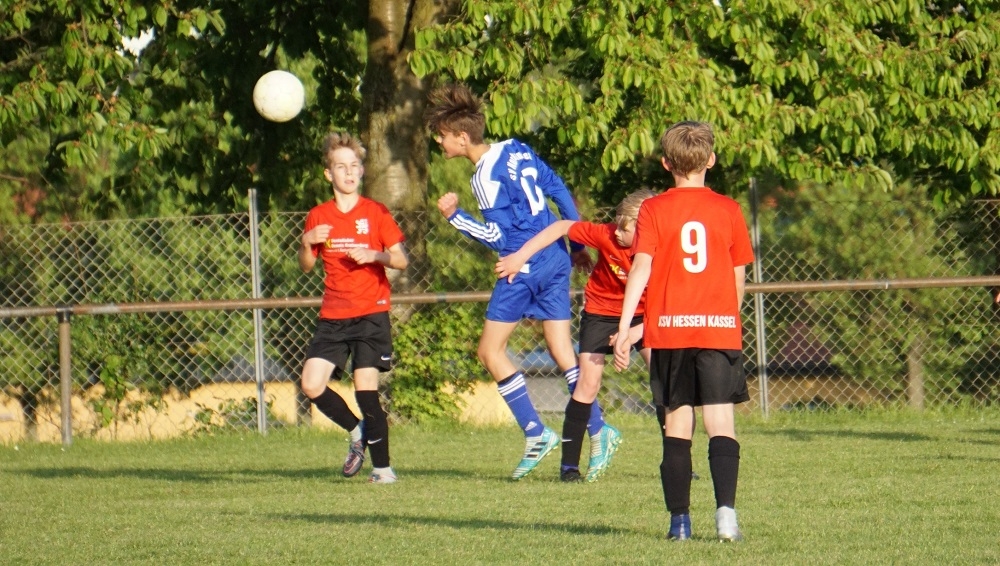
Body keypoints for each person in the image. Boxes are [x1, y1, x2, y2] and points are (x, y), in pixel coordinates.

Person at [425, 83, 597, 481]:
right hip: (556, 256)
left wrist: (455, 217)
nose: (439, 141)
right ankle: (599, 427)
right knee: (561, 349)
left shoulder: (484, 177)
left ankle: (536, 432)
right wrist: (576, 245)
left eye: (442, 135)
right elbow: (557, 189)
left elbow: (497, 238)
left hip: (522, 265)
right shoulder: (517, 148)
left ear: (462, 137)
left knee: (490, 351)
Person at [614, 121, 755, 542]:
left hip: (671, 332)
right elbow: (738, 277)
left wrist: (625, 326)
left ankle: (680, 524)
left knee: (677, 425)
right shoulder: (728, 209)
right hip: (718, 331)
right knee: (721, 421)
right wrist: (726, 319)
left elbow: (641, 267)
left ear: (665, 163)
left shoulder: (654, 209)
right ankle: (726, 517)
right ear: (711, 159)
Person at [495, 189, 656, 482]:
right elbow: (560, 226)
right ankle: (569, 468)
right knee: (587, 383)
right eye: (617, 224)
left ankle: (681, 464)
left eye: (625, 228)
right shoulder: (607, 234)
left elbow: (671, 301)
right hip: (602, 311)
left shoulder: (664, 251)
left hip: (646, 314)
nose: (616, 232)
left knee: (664, 380)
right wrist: (519, 257)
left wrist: (632, 333)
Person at [298, 132, 409, 484]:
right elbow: (306, 266)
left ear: (361, 170)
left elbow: (401, 260)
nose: (348, 172)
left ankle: (383, 470)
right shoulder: (318, 216)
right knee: (311, 384)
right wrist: (306, 242)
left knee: (366, 391)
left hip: (370, 314)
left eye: (354, 166)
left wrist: (375, 255)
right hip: (333, 316)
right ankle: (357, 430)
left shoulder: (375, 212)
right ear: (328, 174)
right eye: (340, 167)